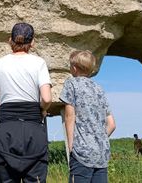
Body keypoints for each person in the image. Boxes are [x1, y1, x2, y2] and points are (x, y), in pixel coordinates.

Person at [0, 22, 52, 183]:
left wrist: (6, 108)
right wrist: (42, 110)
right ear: (32, 43)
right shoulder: (39, 63)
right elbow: (47, 98)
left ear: (10, 40)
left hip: (6, 130)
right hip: (33, 130)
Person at [60, 50, 116, 183]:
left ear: (74, 68)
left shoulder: (71, 84)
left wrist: (71, 145)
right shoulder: (99, 88)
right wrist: (98, 139)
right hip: (102, 153)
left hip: (82, 152)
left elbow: (69, 116)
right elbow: (112, 124)